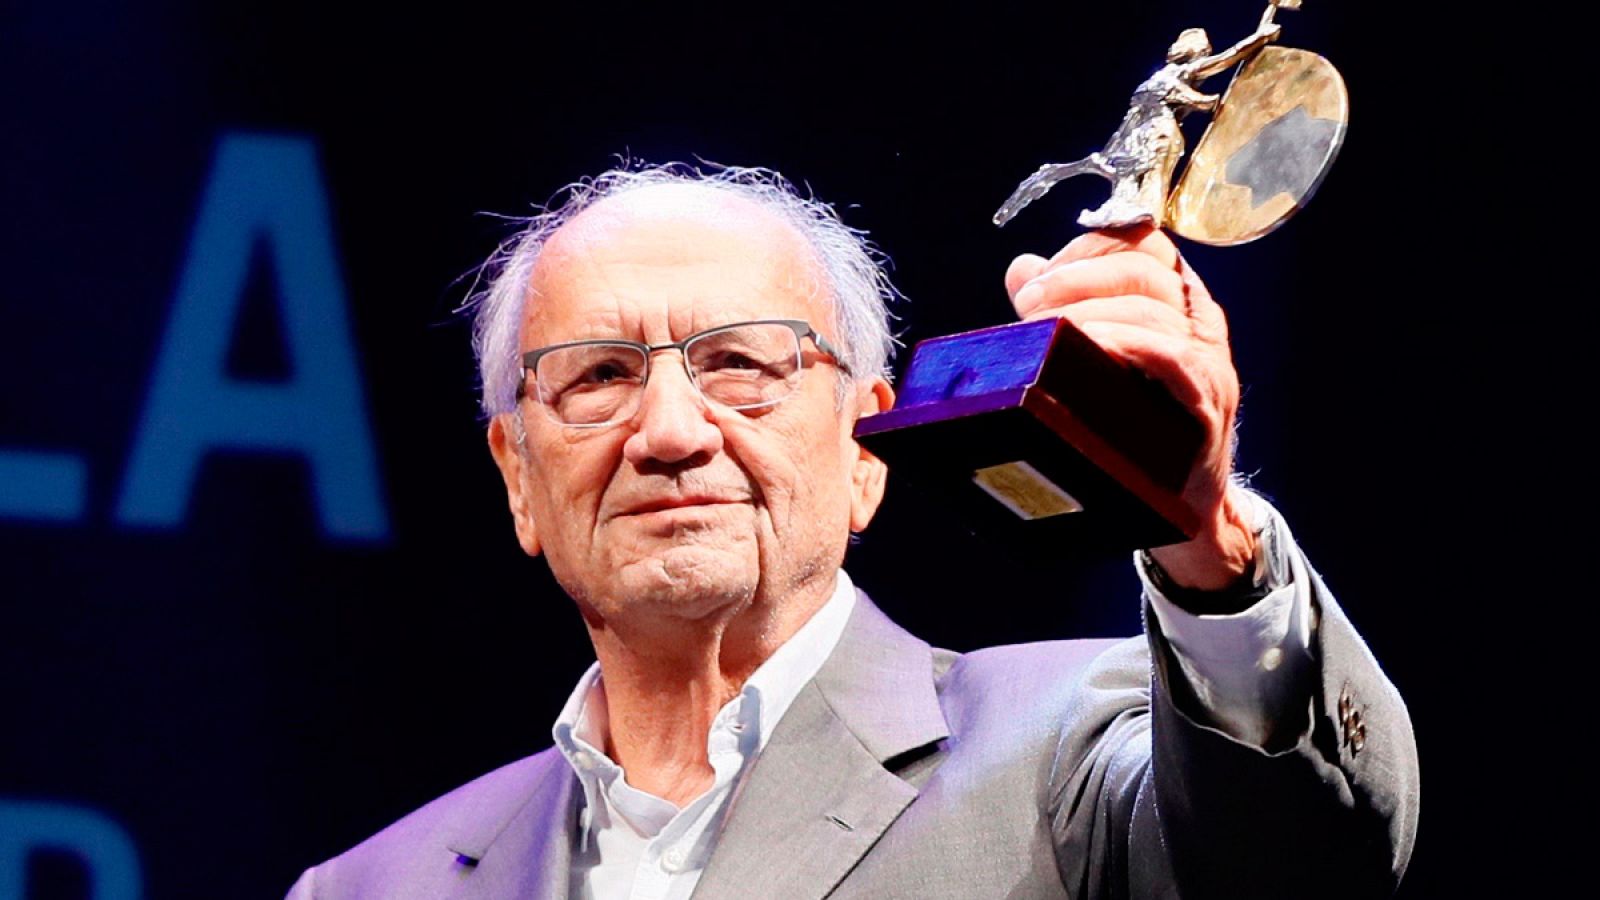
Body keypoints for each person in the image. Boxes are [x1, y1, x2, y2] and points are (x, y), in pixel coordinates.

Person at [288, 163, 1418, 899]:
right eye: (599, 376)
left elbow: (1300, 865)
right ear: (519, 478)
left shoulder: (1074, 749)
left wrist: (1206, 538)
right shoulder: (371, 887)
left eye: (741, 363)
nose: (670, 432)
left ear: (865, 449)